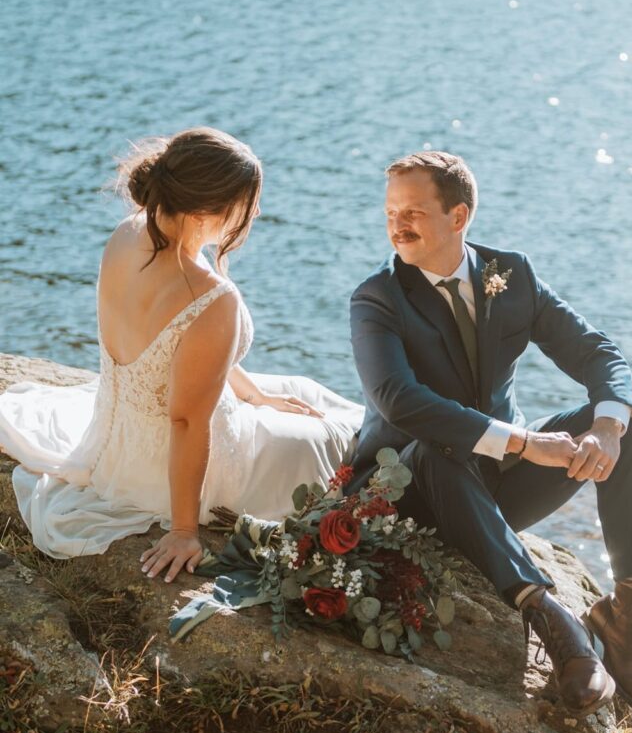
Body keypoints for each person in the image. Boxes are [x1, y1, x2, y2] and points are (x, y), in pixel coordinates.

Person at [349, 150, 632, 719]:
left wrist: (607, 430)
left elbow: (597, 352)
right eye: (392, 211)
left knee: (626, 421)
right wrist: (523, 442)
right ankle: (554, 622)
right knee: (437, 451)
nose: (398, 224)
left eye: (414, 211)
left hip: (487, 489)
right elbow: (399, 399)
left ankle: (625, 611)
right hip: (406, 489)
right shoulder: (378, 299)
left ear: (459, 216)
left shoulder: (509, 275)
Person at [0, 128, 363, 583]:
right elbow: (188, 422)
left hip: (118, 443)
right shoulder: (211, 299)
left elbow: (190, 357)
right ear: (207, 209)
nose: (251, 216)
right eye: (245, 206)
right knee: (335, 436)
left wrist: (255, 396)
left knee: (299, 391)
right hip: (182, 470)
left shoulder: (128, 235)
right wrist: (184, 528)